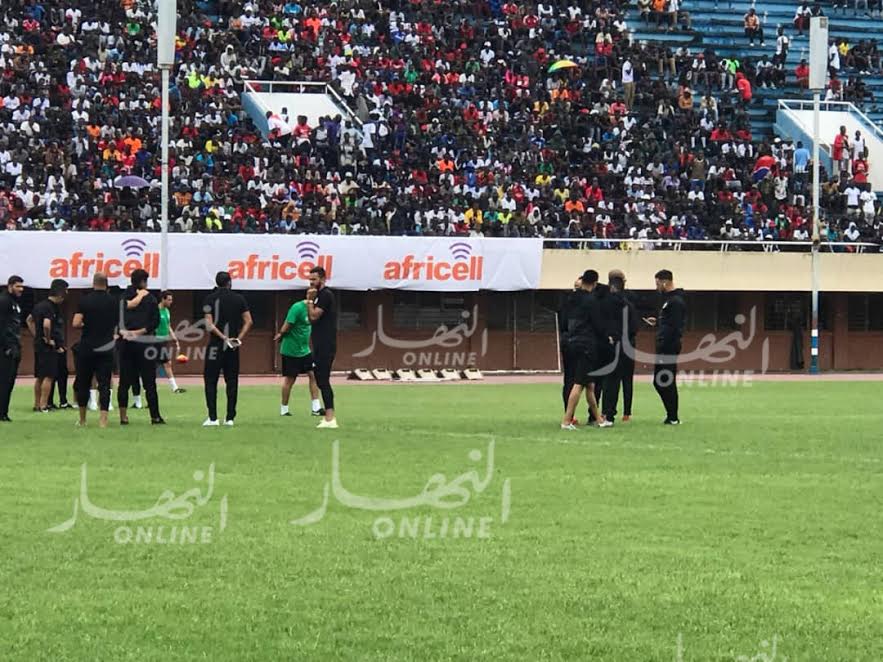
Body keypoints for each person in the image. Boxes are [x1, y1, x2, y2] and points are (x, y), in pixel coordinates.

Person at [561, 270, 610, 430]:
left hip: (570, 343)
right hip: (586, 345)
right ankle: (566, 420)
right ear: (595, 283)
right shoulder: (591, 300)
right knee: (579, 384)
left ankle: (599, 419)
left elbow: (564, 321)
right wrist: (606, 338)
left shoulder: (570, 298)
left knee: (589, 384)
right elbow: (598, 324)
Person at [203, 271, 252, 427]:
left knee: (210, 381)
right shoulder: (239, 299)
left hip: (215, 345)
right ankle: (230, 418)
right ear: (229, 282)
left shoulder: (210, 299)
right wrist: (238, 338)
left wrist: (223, 337)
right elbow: (249, 321)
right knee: (232, 381)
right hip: (232, 347)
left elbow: (209, 324)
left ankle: (213, 418)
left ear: (217, 283)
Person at [118, 269, 164, 425]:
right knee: (149, 382)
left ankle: (123, 417)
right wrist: (140, 332)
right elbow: (155, 322)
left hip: (126, 343)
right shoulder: (150, 298)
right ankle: (155, 416)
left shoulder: (123, 296)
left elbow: (118, 317)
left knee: (124, 382)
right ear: (144, 281)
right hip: (145, 343)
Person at [73, 273, 117, 428]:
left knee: (83, 383)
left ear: (93, 283)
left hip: (87, 347)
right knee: (104, 384)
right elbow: (117, 322)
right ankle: (103, 420)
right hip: (106, 347)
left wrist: (87, 324)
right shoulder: (113, 301)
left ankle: (82, 419)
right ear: (106, 284)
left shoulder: (85, 300)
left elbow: (76, 323)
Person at [273, 289, 323, 417]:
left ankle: (316, 408)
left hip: (305, 350)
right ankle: (284, 409)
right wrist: (281, 334)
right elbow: (288, 323)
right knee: (290, 379)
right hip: (291, 350)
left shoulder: (315, 310)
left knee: (313, 375)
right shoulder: (297, 307)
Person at [645, 270, 686, 425]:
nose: (656, 287)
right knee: (660, 381)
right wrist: (658, 322)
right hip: (664, 345)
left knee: (666, 381)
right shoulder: (668, 300)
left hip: (668, 347)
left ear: (664, 282)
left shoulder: (676, 301)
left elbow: (675, 327)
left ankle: (673, 417)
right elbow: (669, 323)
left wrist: (664, 342)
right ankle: (671, 415)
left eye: (657, 283)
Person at [27, 278, 68, 413]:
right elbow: (46, 324)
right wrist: (48, 339)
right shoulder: (50, 307)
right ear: (60, 293)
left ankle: (36, 404)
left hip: (38, 345)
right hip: (48, 347)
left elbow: (29, 320)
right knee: (49, 376)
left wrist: (37, 335)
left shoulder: (39, 305)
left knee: (40, 375)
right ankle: (44, 405)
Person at [307, 266, 339, 429]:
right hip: (318, 343)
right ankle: (328, 417)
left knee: (323, 380)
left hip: (326, 343)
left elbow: (313, 316)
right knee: (319, 378)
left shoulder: (326, 295)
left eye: (314, 279)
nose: (311, 282)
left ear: (323, 279)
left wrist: (309, 300)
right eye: (310, 279)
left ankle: (330, 418)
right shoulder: (318, 296)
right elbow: (310, 318)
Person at [0, 276, 24, 422]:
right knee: (4, 380)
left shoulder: (14, 302)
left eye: (22, 286)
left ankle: (4, 411)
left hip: (14, 345)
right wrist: (6, 346)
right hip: (6, 347)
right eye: (17, 286)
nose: (21, 289)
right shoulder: (4, 301)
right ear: (10, 286)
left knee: (9, 381)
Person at [557, 277, 583, 412]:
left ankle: (569, 414)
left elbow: (562, 324)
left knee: (569, 379)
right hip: (581, 344)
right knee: (587, 383)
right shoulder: (587, 302)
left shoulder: (565, 302)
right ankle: (595, 415)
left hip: (568, 342)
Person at [156, 291, 186, 394]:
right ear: (163, 299)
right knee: (159, 364)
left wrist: (174, 338)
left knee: (167, 363)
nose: (171, 302)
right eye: (169, 299)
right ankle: (149, 386)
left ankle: (174, 388)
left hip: (164, 342)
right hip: (155, 341)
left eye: (171, 299)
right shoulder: (155, 311)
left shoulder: (167, 311)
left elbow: (168, 326)